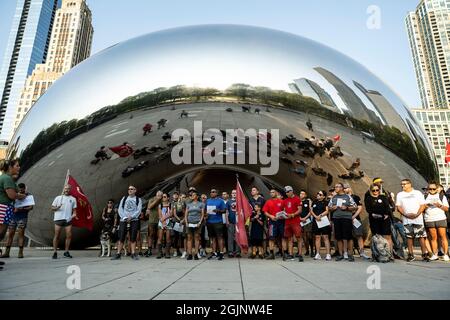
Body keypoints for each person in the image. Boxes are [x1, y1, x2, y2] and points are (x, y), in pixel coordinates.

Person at [396, 179, 430, 262]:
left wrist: (417, 214)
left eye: (404, 184)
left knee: (421, 237)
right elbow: (398, 207)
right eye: (401, 184)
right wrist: (406, 214)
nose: (402, 186)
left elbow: (423, 205)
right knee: (409, 237)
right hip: (407, 220)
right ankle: (411, 255)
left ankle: (424, 254)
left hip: (418, 219)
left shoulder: (417, 193)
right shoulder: (400, 194)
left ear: (410, 184)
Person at [0, 159, 22, 269]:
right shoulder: (7, 178)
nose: (19, 167)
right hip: (3, 207)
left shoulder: (7, 178)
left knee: (2, 234)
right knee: (0, 233)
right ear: (10, 167)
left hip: (5, 208)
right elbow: (12, 196)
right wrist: (21, 196)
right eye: (17, 166)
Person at [2, 183, 33, 259]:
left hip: (22, 217)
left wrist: (22, 209)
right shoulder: (15, 195)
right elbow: (9, 204)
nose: (21, 190)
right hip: (13, 216)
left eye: (22, 189)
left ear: (24, 189)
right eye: (19, 188)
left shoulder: (28, 195)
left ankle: (20, 252)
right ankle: (7, 252)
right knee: (10, 234)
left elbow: (31, 207)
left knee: (21, 234)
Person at [111, 186, 142, 260]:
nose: (130, 190)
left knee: (133, 237)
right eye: (129, 189)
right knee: (121, 237)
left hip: (134, 220)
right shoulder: (124, 198)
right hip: (123, 220)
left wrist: (132, 217)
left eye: (131, 189)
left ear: (135, 190)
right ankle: (118, 254)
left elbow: (139, 210)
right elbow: (120, 209)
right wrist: (124, 217)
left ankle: (133, 253)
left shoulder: (138, 199)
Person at [328, 183, 357, 261]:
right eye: (335, 187)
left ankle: (350, 254)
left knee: (348, 237)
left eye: (337, 187)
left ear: (342, 188)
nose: (335, 188)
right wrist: (332, 208)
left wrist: (347, 208)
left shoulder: (348, 196)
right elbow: (329, 207)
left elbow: (355, 207)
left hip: (346, 218)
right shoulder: (333, 197)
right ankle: (341, 254)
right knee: (339, 237)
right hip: (336, 218)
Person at [364, 184, 393, 256]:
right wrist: (376, 214)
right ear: (370, 190)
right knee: (376, 237)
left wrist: (385, 214)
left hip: (384, 219)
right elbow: (369, 209)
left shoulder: (383, 197)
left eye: (377, 190)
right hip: (374, 220)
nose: (375, 192)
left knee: (387, 236)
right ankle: (377, 254)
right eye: (373, 190)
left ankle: (390, 254)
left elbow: (387, 207)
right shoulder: (368, 199)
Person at [423, 182, 449, 261]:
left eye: (433, 189)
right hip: (429, 219)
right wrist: (426, 206)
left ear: (437, 189)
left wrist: (439, 205)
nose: (432, 190)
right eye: (430, 189)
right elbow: (421, 208)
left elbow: (447, 209)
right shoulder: (424, 196)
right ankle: (435, 254)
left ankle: (445, 254)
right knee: (433, 238)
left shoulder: (441, 196)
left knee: (443, 236)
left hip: (440, 218)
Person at [51, 185, 77, 259]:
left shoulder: (73, 199)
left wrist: (73, 216)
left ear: (70, 190)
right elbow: (52, 208)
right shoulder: (58, 198)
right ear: (64, 189)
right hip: (58, 219)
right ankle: (55, 252)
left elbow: (75, 211)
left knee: (69, 236)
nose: (67, 190)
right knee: (57, 235)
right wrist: (57, 207)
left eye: (68, 189)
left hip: (68, 220)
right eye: (66, 188)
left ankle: (66, 252)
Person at [345, 185, 370, 259]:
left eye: (346, 188)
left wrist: (353, 216)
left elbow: (359, 208)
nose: (345, 189)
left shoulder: (355, 197)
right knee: (349, 236)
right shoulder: (343, 198)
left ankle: (362, 252)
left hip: (356, 219)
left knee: (359, 235)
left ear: (350, 188)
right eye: (344, 188)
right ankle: (349, 252)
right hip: (346, 218)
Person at [263, 189, 285, 260]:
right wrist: (270, 216)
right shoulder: (268, 202)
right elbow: (265, 212)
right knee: (271, 238)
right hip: (272, 223)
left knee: (283, 238)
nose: (272, 193)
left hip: (281, 222)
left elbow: (285, 210)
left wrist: (282, 215)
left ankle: (284, 253)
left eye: (273, 192)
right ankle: (271, 253)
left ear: (276, 193)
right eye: (270, 192)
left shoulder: (281, 201)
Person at [183, 192, 205, 260]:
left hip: (197, 223)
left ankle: (196, 254)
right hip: (189, 223)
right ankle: (189, 254)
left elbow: (202, 214)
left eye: (194, 195)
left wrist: (200, 222)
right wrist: (186, 222)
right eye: (191, 195)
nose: (192, 196)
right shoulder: (188, 204)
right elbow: (186, 214)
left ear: (197, 196)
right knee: (189, 238)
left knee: (196, 237)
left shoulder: (201, 204)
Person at [283, 186, 303, 261]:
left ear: (292, 191)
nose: (287, 193)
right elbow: (284, 210)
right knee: (289, 238)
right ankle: (290, 254)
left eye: (288, 192)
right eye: (286, 192)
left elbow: (300, 210)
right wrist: (283, 214)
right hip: (287, 222)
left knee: (298, 238)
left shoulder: (297, 199)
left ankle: (300, 254)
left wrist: (293, 214)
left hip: (295, 221)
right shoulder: (285, 200)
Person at [206, 189, 227, 260]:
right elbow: (205, 210)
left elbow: (224, 210)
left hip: (218, 222)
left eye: (213, 192)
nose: (211, 193)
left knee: (220, 237)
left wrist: (218, 210)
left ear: (217, 193)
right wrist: (206, 214)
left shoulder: (220, 201)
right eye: (211, 192)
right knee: (212, 238)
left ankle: (221, 253)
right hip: (209, 221)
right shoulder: (208, 201)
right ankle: (214, 252)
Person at [311, 190, 332, 260]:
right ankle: (317, 254)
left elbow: (327, 211)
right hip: (316, 221)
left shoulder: (326, 202)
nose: (318, 195)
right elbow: (311, 210)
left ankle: (328, 254)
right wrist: (316, 216)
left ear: (323, 196)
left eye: (320, 194)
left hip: (323, 220)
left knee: (325, 237)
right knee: (317, 237)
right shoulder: (314, 202)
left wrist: (320, 215)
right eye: (317, 193)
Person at [144, 191, 163, 257]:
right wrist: (157, 200)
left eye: (161, 195)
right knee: (150, 235)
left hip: (160, 221)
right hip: (152, 220)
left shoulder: (162, 200)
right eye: (158, 195)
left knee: (159, 236)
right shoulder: (152, 199)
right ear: (156, 195)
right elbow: (149, 207)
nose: (160, 197)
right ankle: (149, 250)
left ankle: (159, 251)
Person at [249, 187, 266, 256]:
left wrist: (261, 216)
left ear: (257, 191)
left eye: (254, 190)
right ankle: (253, 251)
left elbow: (265, 210)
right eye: (251, 190)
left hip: (261, 219)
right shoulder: (250, 200)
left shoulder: (262, 200)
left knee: (260, 236)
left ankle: (261, 252)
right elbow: (248, 210)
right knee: (253, 236)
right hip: (252, 220)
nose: (252, 191)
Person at [157, 193, 173, 259]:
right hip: (161, 222)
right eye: (163, 197)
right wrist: (162, 221)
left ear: (168, 198)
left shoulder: (171, 205)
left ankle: (167, 253)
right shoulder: (160, 205)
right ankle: (159, 253)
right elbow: (159, 214)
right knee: (160, 238)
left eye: (165, 196)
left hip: (168, 222)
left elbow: (171, 213)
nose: (163, 198)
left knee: (168, 238)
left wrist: (165, 219)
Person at [299, 190, 313, 258]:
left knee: (309, 235)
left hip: (307, 220)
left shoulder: (308, 201)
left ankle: (312, 250)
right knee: (304, 237)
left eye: (303, 194)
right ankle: (307, 250)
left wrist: (305, 218)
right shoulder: (298, 201)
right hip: (300, 220)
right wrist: (300, 218)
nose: (301, 195)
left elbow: (311, 211)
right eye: (300, 193)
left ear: (305, 195)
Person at [226, 190, 240, 258]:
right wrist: (227, 221)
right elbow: (227, 212)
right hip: (231, 221)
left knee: (238, 237)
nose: (234, 194)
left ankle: (237, 252)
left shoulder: (240, 201)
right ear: (231, 194)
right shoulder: (229, 202)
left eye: (235, 193)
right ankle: (230, 251)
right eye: (233, 193)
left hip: (238, 222)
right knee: (230, 237)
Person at [171, 192, 186, 258]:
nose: (183, 198)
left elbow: (185, 212)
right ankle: (175, 251)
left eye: (184, 197)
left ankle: (182, 250)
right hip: (176, 221)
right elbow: (174, 213)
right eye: (182, 197)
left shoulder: (185, 204)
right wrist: (179, 220)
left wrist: (183, 220)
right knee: (176, 236)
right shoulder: (175, 203)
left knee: (182, 237)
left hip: (183, 221)